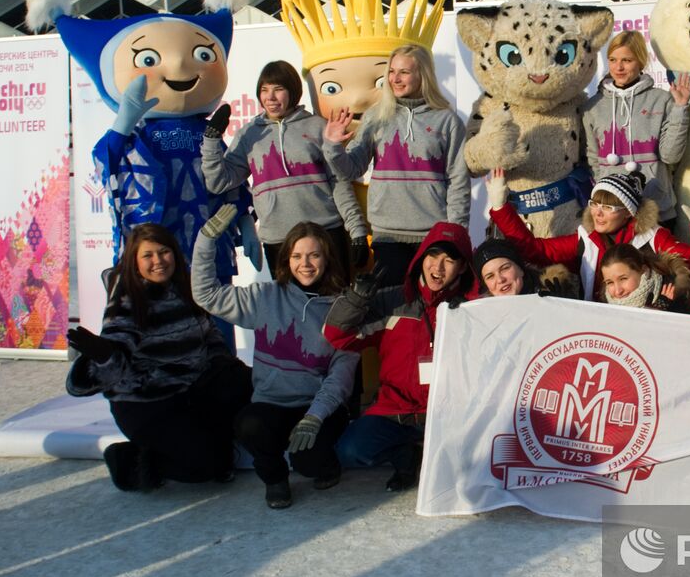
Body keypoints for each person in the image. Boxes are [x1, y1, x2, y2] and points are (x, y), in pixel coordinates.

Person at [193, 207, 359, 509]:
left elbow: (341, 377)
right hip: (272, 402)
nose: (305, 264)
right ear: (286, 260)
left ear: (328, 259)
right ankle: (275, 479)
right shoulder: (265, 297)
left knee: (309, 462)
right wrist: (206, 241)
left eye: (314, 255)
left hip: (317, 406)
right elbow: (207, 296)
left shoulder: (342, 308)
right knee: (249, 425)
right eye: (297, 256)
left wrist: (314, 416)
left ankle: (325, 464)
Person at [67, 223, 252, 492]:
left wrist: (227, 370)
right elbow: (112, 364)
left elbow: (209, 337)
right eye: (148, 255)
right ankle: (131, 460)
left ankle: (210, 435)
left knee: (247, 384)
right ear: (135, 261)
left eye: (164, 252)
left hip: (189, 390)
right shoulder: (128, 301)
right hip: (149, 404)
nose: (158, 261)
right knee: (209, 465)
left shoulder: (183, 288)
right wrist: (104, 356)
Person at [324, 222, 476, 492]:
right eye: (432, 256)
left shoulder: (471, 309)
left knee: (470, 468)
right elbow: (336, 335)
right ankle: (405, 453)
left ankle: (427, 453)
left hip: (446, 415)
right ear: (421, 258)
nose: (437, 268)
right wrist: (356, 299)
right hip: (394, 411)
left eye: (449, 260)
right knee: (350, 451)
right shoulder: (391, 300)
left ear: (463, 267)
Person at [322, 44, 470, 286]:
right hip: (387, 234)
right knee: (394, 312)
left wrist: (455, 234)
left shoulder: (447, 120)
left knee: (431, 312)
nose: (395, 79)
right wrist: (333, 146)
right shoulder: (376, 116)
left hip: (433, 234)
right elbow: (352, 168)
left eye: (404, 72)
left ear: (423, 75)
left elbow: (458, 181)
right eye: (391, 71)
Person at [202, 59, 369, 274]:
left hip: (325, 232)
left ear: (293, 91)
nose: (270, 97)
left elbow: (339, 182)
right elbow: (218, 182)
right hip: (278, 239)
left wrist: (357, 232)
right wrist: (211, 140)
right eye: (264, 90)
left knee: (336, 305)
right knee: (290, 306)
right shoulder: (249, 134)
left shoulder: (317, 126)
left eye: (278, 89)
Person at [488, 168, 690, 302]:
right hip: (598, 324)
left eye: (607, 207)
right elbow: (536, 250)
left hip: (643, 322)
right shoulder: (585, 238)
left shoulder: (653, 237)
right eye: (594, 203)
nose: (597, 212)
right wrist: (501, 208)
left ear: (628, 212)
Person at [582, 30, 690, 227]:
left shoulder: (661, 99)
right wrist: (605, 193)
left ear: (640, 61)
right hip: (612, 213)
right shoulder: (593, 107)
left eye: (627, 60)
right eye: (613, 60)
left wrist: (680, 109)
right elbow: (593, 158)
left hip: (656, 207)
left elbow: (670, 156)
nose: (619, 67)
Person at [598, 243, 690, 313]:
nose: (618, 291)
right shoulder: (602, 306)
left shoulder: (672, 293)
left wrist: (666, 312)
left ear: (643, 270)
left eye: (623, 279)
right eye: (610, 282)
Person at [473, 239, 540, 297]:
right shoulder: (483, 311)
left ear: (520, 269)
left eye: (505, 268)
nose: (500, 280)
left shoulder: (548, 295)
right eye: (490, 276)